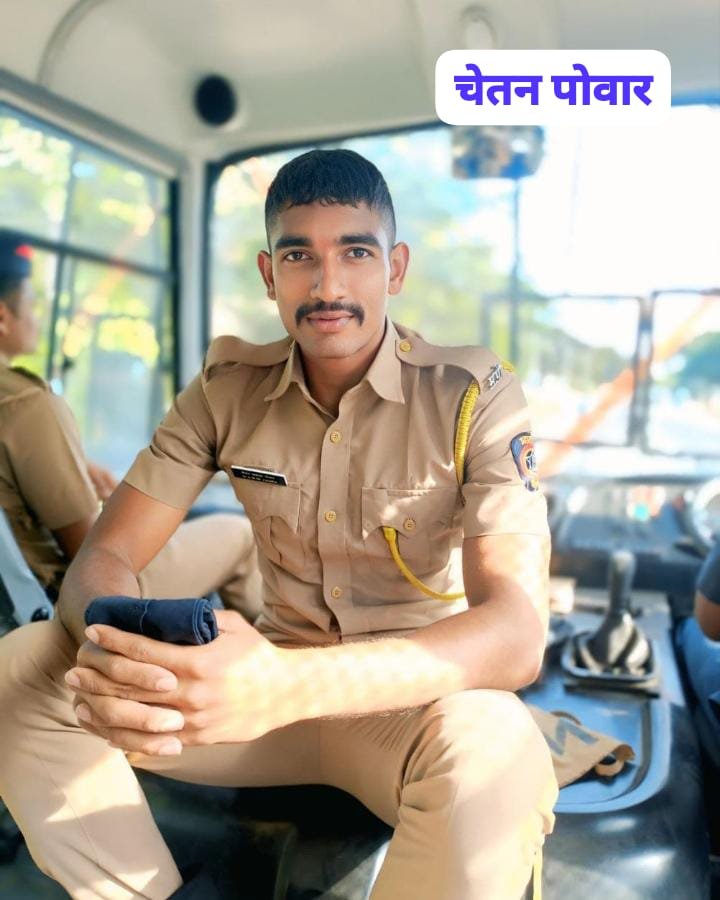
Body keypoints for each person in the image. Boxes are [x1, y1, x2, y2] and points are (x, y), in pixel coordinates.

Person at [0, 150, 558, 899]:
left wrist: (288, 684)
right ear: (270, 275)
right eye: (299, 256)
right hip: (251, 711)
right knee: (21, 667)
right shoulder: (225, 390)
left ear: (394, 268)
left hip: (409, 709)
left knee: (498, 750)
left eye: (355, 253)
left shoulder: (472, 395)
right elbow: (105, 554)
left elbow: (517, 633)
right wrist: (127, 655)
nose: (327, 286)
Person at [0, 230, 261, 616]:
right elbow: (90, 550)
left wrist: (76, 467)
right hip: (72, 599)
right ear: (3, 317)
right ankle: (277, 651)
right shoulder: (27, 405)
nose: (38, 317)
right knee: (240, 534)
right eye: (32, 305)